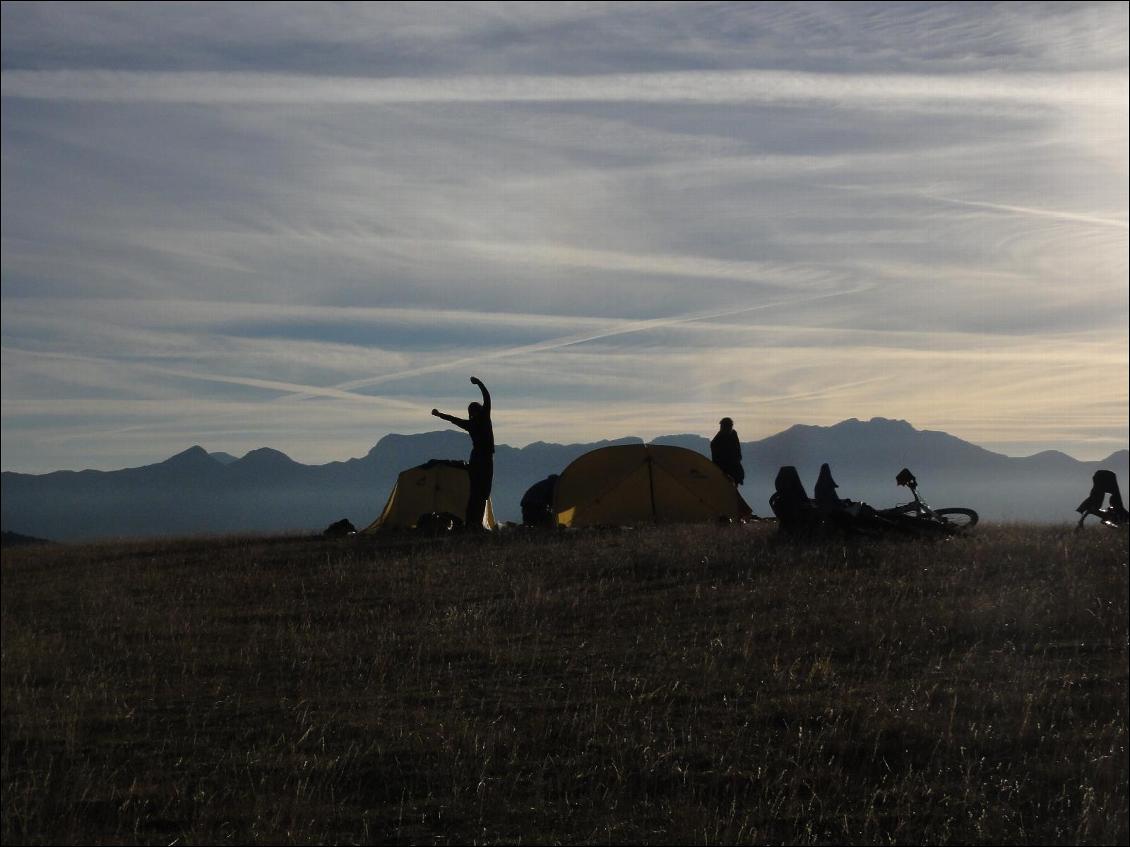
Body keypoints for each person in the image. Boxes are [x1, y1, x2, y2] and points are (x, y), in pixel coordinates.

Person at [432, 377, 494, 531]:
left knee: (475, 493)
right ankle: (475, 524)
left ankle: (471, 523)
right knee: (483, 492)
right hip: (484, 459)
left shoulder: (471, 424)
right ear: (479, 410)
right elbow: (487, 397)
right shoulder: (484, 419)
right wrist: (479, 383)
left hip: (476, 458)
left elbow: (453, 420)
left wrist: (439, 415)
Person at [710, 417, 744, 485]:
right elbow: (716, 458)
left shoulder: (733, 434)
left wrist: (738, 458)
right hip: (724, 467)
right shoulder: (717, 440)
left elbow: (737, 448)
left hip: (734, 465)